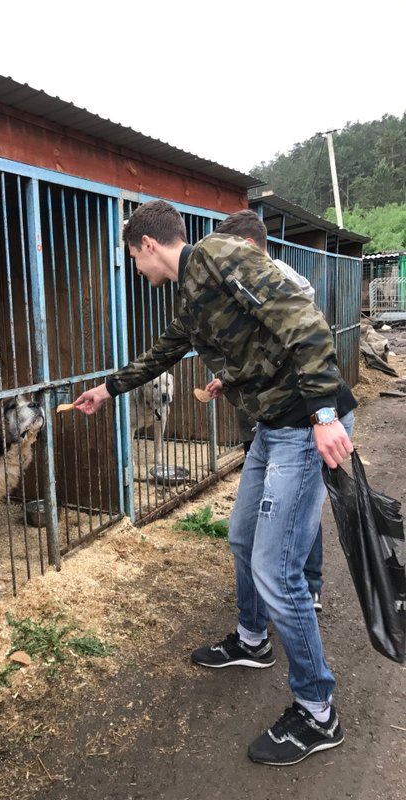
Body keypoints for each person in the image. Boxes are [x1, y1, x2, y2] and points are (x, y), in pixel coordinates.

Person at [74, 201, 357, 766]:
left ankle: (318, 711)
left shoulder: (219, 255)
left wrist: (324, 415)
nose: (136, 269)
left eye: (133, 257)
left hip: (304, 424)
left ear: (148, 245)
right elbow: (164, 353)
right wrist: (107, 390)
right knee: (243, 538)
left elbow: (303, 320)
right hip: (274, 428)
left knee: (276, 570)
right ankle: (252, 641)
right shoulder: (191, 296)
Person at [215, 212, 323, 612]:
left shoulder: (273, 283)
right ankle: (275, 597)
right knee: (276, 518)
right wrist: (227, 378)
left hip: (293, 420)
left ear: (245, 245)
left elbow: (303, 349)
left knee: (295, 514)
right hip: (263, 419)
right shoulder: (251, 284)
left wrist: (324, 417)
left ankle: (302, 586)